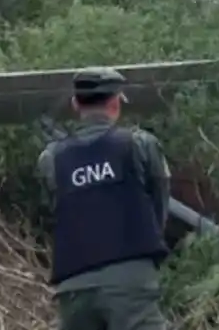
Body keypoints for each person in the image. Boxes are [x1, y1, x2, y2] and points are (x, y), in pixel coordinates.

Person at [37, 66, 172, 330]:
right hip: (131, 281)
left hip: (74, 286)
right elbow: (160, 203)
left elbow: (52, 212)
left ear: (76, 104)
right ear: (115, 102)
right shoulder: (139, 144)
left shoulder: (51, 159)